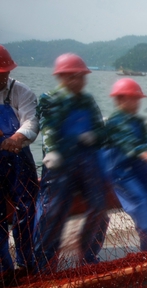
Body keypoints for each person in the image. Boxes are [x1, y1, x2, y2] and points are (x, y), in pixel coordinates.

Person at [34, 53, 109, 273]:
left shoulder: (87, 100)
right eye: (73, 77)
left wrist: (94, 135)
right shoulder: (49, 98)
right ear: (63, 77)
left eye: (81, 77)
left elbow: (100, 130)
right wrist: (52, 151)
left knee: (99, 207)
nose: (78, 82)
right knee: (53, 213)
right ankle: (44, 267)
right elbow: (47, 127)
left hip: (86, 162)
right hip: (59, 165)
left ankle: (88, 257)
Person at [102, 78, 147, 251]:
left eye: (138, 99)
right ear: (121, 99)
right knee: (142, 203)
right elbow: (130, 144)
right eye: (134, 98)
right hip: (120, 171)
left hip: (138, 166)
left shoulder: (138, 121)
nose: (137, 102)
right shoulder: (115, 121)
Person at [0, 45, 39, 283]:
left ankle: (26, 265)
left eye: (5, 72)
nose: (2, 76)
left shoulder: (21, 91)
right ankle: (4, 269)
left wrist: (17, 138)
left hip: (18, 160)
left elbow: (31, 122)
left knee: (26, 210)